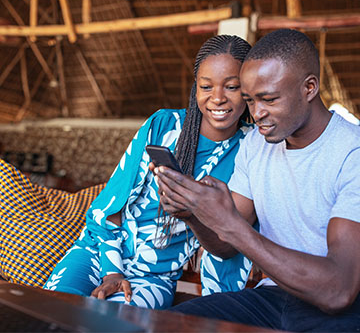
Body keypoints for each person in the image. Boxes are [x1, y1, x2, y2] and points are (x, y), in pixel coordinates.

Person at [155, 28, 360, 330]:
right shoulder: (257, 145)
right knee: (165, 326)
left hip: (343, 311)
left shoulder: (351, 153)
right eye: (250, 100)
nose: (257, 113)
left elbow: (338, 291)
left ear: (310, 88)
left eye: (269, 99)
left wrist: (231, 225)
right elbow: (226, 245)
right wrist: (193, 214)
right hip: (273, 298)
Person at [43, 34, 256, 309]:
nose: (217, 98)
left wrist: (191, 212)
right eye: (206, 86)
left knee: (109, 322)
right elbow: (114, 204)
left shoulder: (250, 149)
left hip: (153, 277)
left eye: (232, 86)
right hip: (100, 253)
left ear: (249, 87)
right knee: (52, 310)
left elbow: (230, 239)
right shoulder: (163, 125)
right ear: (196, 88)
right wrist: (113, 272)